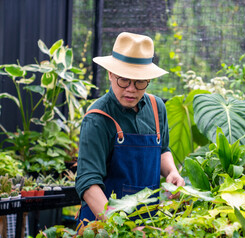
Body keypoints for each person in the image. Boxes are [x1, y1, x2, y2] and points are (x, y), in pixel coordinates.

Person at [75, 32, 185, 223]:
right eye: (124, 79)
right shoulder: (97, 118)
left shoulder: (157, 107)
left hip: (147, 223)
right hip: (103, 227)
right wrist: (120, 229)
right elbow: (88, 184)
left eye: (140, 81)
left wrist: (172, 172)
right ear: (110, 74)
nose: (131, 89)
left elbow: (162, 149)